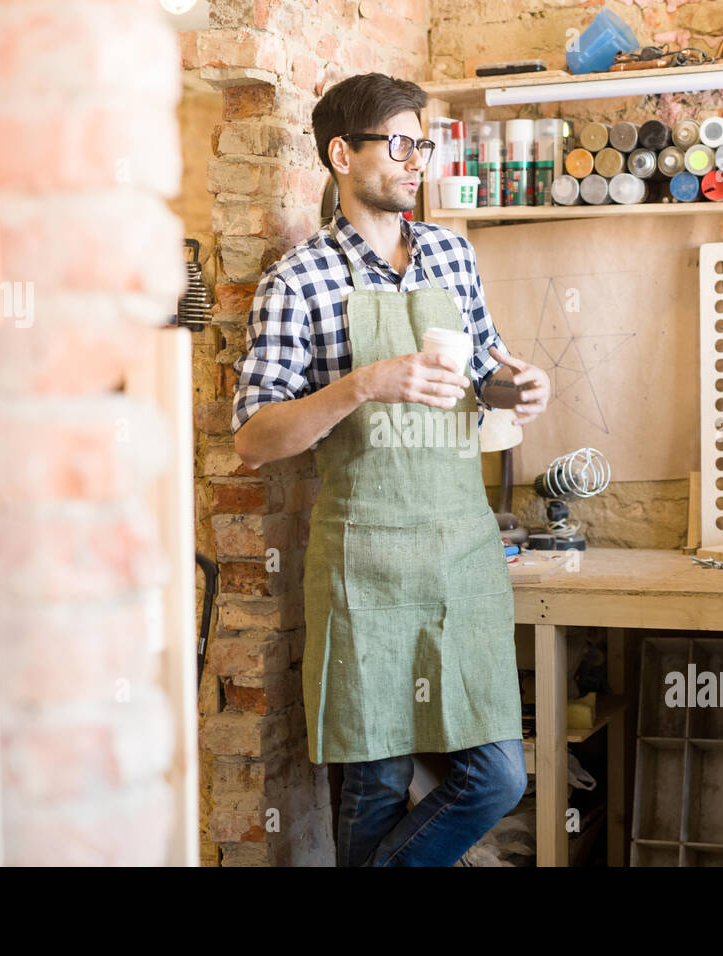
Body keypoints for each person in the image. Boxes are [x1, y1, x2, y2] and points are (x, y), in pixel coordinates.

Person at [230, 72, 551, 866]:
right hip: (363, 568)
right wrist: (366, 382)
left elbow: (485, 374)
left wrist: (520, 385)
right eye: (400, 143)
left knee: (497, 776)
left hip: (459, 558)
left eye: (422, 144)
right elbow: (253, 438)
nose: (418, 160)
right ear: (342, 154)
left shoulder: (451, 253)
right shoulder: (296, 281)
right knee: (373, 791)